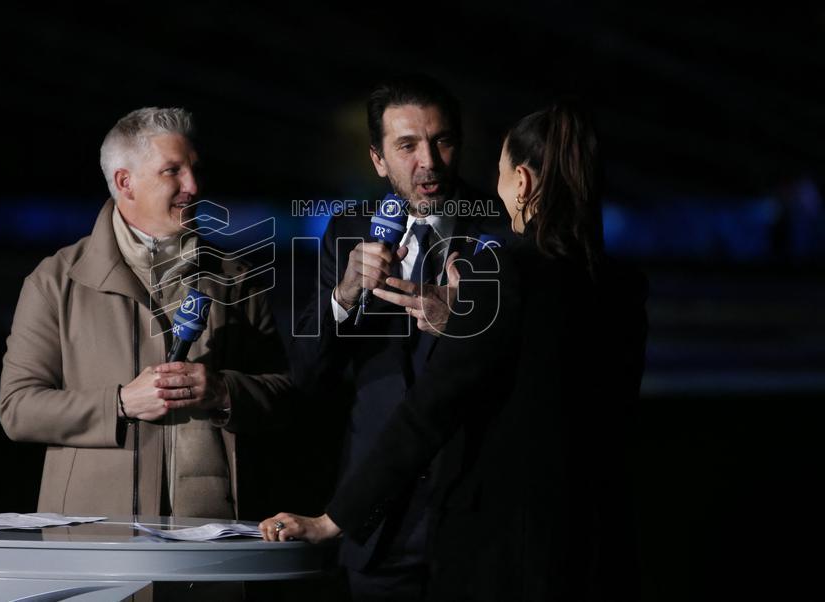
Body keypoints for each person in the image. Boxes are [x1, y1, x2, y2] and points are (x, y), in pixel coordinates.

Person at [263, 102, 648, 601]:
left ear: (524, 184)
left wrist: (331, 521)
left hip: (505, 550)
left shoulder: (501, 270)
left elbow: (430, 410)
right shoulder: (622, 284)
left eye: (504, 172)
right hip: (598, 544)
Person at [0, 107, 291, 523]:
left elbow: (284, 395)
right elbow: (17, 408)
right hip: (94, 536)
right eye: (172, 171)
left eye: (193, 169)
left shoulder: (234, 278)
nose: (193, 185)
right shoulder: (55, 281)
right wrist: (119, 403)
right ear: (125, 183)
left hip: (214, 537)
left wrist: (224, 391)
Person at [290, 74, 506, 601]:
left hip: (481, 513)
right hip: (375, 521)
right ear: (378, 159)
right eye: (407, 145)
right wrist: (342, 295)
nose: (428, 162)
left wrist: (465, 322)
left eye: (442, 141)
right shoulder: (346, 231)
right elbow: (306, 373)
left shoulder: (504, 225)